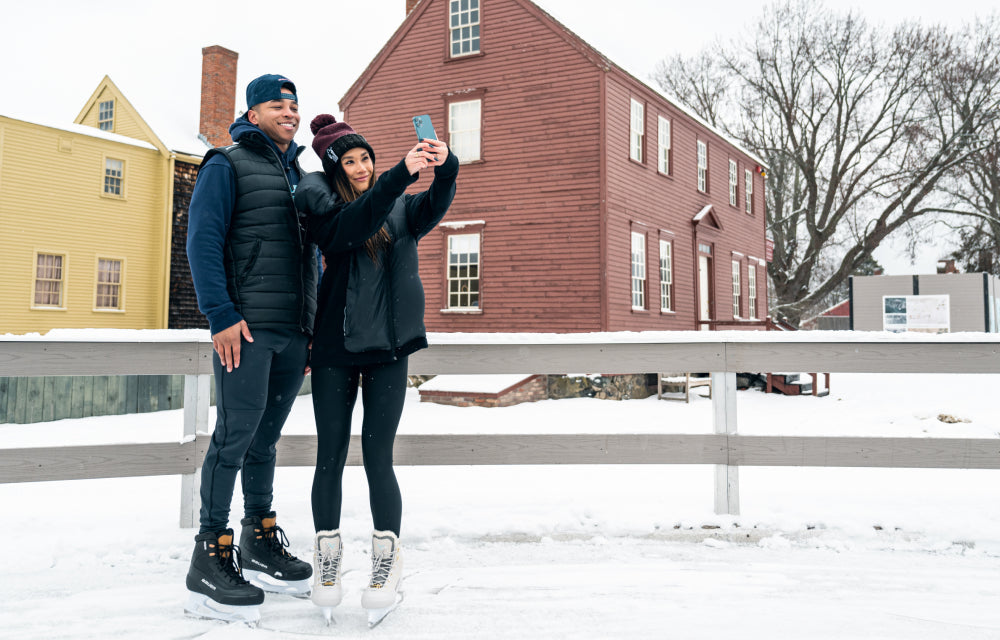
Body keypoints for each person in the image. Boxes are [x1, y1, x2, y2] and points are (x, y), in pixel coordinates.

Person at [295, 114, 458, 620]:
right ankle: (327, 559)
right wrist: (397, 176)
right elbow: (361, 220)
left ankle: (386, 561)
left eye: (366, 157)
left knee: (378, 457)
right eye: (351, 160)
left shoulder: (402, 210)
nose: (363, 167)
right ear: (335, 168)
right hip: (334, 350)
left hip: (389, 350)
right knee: (331, 454)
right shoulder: (328, 211)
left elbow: (434, 202)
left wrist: (445, 165)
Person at [183, 74, 317, 623]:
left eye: (294, 104)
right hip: (246, 328)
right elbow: (203, 240)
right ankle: (210, 553)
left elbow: (313, 254)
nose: (289, 112)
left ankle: (258, 538)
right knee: (234, 436)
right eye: (276, 105)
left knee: (266, 438)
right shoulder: (226, 163)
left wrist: (308, 327)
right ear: (253, 112)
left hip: (292, 330)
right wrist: (221, 315)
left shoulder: (302, 176)